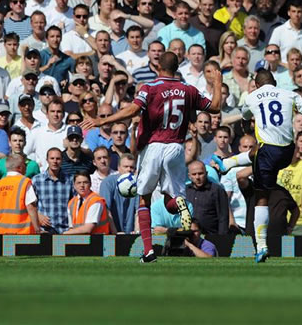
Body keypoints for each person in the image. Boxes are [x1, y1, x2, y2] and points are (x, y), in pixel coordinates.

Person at [82, 51, 221, 262]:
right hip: (176, 147)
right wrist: (218, 83)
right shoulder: (188, 90)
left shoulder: (150, 88)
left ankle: (148, 251)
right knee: (170, 199)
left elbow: (133, 109)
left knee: (144, 200)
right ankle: (181, 206)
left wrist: (104, 121)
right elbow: (216, 107)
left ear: (157, 67)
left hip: (154, 146)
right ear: (177, 68)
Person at [212, 69, 302, 262]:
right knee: (257, 152)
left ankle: (261, 247)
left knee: (261, 197)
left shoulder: (252, 97)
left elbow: (245, 120)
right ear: (274, 82)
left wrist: (248, 130)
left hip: (268, 152)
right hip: (288, 152)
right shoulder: (289, 94)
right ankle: (227, 163)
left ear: (258, 84)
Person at [0, 154, 40, 234]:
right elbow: (31, 207)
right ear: (20, 167)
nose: (26, 167)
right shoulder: (24, 182)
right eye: (25, 164)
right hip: (23, 235)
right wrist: (37, 229)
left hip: (1, 235)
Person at [32, 147, 74, 234]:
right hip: (45, 230)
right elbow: (30, 204)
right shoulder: (37, 180)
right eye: (52, 158)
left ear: (62, 160)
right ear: (47, 160)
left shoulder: (70, 180)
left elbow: (75, 203)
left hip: (65, 229)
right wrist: (38, 215)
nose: (55, 161)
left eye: (58, 159)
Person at [186, 160, 230, 235]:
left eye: (200, 173)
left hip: (211, 236)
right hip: (189, 236)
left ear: (206, 174)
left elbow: (223, 218)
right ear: (189, 176)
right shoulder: (185, 191)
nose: (197, 177)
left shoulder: (216, 190)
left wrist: (222, 239)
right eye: (194, 174)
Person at [99, 153, 138, 233]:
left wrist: (137, 231)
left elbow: (139, 211)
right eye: (125, 167)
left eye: (132, 167)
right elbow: (106, 210)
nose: (129, 170)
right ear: (119, 168)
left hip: (131, 232)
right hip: (112, 233)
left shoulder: (138, 184)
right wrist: (115, 233)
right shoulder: (107, 183)